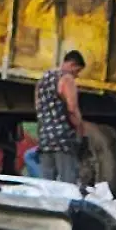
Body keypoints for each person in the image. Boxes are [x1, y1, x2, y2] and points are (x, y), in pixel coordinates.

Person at [35, 50, 86, 183]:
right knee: (67, 183)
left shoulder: (42, 79)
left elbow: (38, 107)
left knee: (46, 184)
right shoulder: (67, 79)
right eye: (77, 71)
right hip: (63, 139)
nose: (76, 75)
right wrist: (80, 130)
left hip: (45, 139)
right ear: (72, 64)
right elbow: (72, 108)